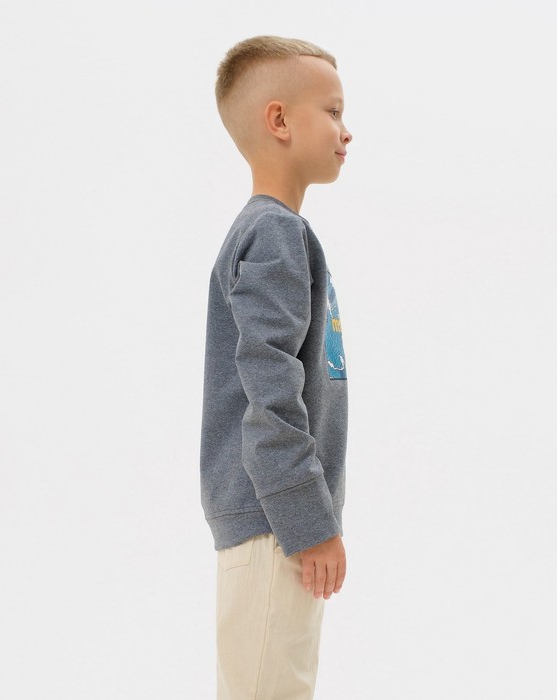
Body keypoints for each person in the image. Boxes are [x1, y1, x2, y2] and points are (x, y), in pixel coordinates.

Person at [199, 34, 353, 700]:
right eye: (333, 112)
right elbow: (270, 389)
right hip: (275, 523)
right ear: (280, 121)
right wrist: (309, 521)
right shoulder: (275, 233)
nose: (347, 131)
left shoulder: (271, 231)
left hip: (271, 522)